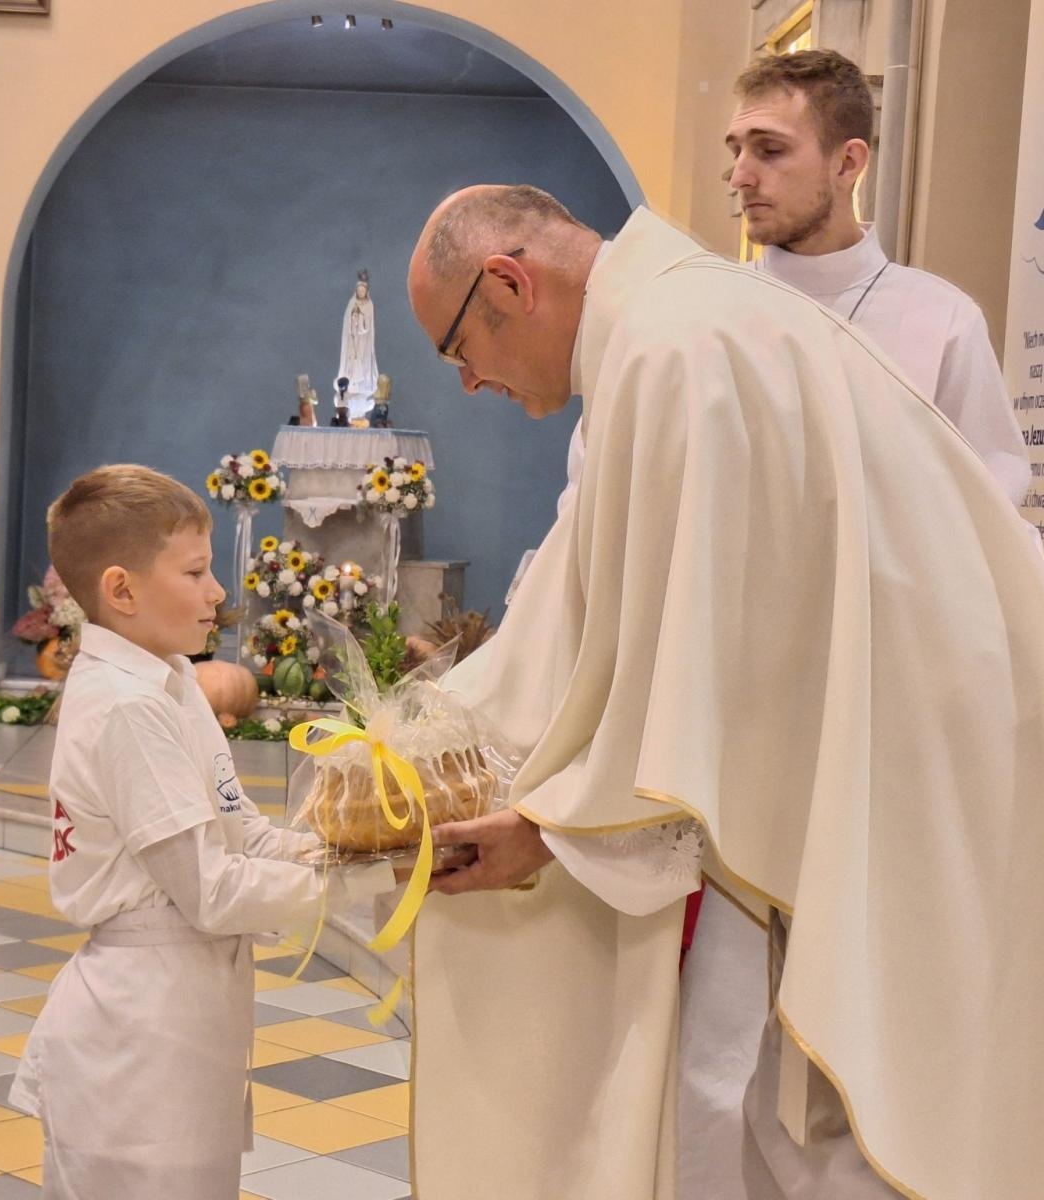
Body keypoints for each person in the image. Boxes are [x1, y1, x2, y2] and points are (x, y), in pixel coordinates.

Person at [403, 185, 1044, 1199]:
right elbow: (597, 602)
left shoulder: (677, 349)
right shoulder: (672, 326)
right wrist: (423, 743)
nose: (471, 384)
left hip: (922, 753)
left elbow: (686, 653)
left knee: (845, 1106)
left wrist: (547, 826)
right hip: (883, 741)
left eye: (455, 350)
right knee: (768, 1093)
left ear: (508, 283)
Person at [7, 464, 394, 1199]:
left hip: (183, 1015)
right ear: (121, 591)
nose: (218, 591)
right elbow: (213, 890)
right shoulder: (125, 706)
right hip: (139, 1031)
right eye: (196, 571)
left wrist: (355, 844)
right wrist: (365, 879)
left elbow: (238, 829)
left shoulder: (172, 680)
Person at [727, 48, 1028, 502]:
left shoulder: (941, 322)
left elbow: (988, 509)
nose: (740, 177)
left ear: (847, 163)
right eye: (737, 151)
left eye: (770, 150)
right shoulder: (712, 311)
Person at [336, 270, 379, 419]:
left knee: (362, 362)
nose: (361, 292)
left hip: (363, 342)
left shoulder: (369, 305)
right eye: (359, 290)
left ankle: (362, 384)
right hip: (352, 340)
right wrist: (353, 317)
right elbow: (347, 322)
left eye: (363, 290)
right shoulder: (351, 304)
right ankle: (349, 384)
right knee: (351, 364)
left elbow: (368, 327)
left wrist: (360, 318)